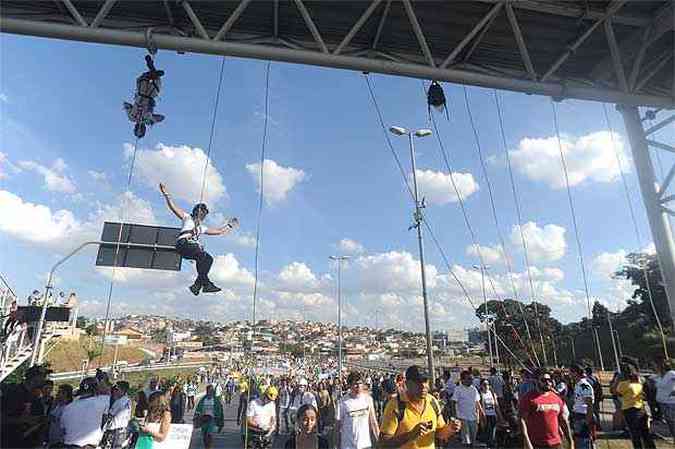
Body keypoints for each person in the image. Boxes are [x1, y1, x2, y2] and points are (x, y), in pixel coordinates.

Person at [159, 182, 238, 295]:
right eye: (201, 212)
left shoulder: (202, 228)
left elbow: (219, 231)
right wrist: (166, 193)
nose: (202, 215)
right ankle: (204, 284)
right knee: (202, 256)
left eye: (204, 214)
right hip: (184, 243)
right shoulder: (187, 218)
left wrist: (229, 225)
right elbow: (173, 207)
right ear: (197, 212)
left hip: (189, 249)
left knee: (208, 259)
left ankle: (198, 285)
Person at [380, 365, 461, 449]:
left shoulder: (432, 401)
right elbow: (383, 444)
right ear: (407, 384)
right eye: (418, 382)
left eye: (425, 381)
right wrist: (410, 435)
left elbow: (440, 433)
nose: (423, 386)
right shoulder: (395, 405)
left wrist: (451, 428)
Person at [519, 370, 574, 449]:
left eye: (549, 380)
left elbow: (563, 421)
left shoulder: (556, 399)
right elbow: (522, 420)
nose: (548, 382)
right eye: (544, 380)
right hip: (537, 444)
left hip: (556, 443)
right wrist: (527, 442)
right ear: (536, 381)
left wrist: (571, 442)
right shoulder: (529, 398)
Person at [1, 364, 52, 448]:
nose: (44, 380)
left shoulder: (36, 399)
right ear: (34, 379)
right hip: (8, 442)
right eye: (43, 377)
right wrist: (22, 420)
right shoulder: (13, 392)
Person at [611, 363, 656, 449]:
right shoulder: (640, 382)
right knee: (645, 432)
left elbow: (614, 391)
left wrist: (616, 380)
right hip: (641, 409)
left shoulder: (624, 384)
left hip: (629, 410)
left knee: (635, 434)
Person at [60, 377, 111, 449]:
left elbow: (63, 430)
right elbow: (109, 393)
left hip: (69, 445)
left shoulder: (68, 407)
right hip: (89, 446)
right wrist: (102, 380)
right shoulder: (103, 400)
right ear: (96, 389)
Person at [336, 372, 379, 449]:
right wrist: (337, 444)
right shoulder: (342, 402)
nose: (358, 386)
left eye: (360, 383)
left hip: (365, 444)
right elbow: (338, 426)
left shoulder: (368, 399)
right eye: (355, 384)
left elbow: (373, 422)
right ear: (349, 385)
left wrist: (380, 441)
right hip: (347, 445)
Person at [452, 370, 483, 448]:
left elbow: (477, 403)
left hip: (474, 418)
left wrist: (481, 415)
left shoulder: (474, 389)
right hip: (463, 418)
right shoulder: (458, 389)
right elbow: (453, 402)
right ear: (463, 380)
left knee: (473, 441)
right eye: (469, 379)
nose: (471, 381)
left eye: (471, 379)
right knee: (466, 441)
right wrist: (455, 417)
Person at [569, 364, 595, 449]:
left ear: (575, 373)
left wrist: (587, 422)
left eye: (570, 372)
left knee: (583, 442)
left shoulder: (584, 386)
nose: (569, 374)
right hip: (577, 415)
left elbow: (589, 405)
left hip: (583, 416)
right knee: (578, 441)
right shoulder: (577, 384)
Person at [102, 381, 132, 449]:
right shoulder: (128, 400)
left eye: (117, 389)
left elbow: (109, 415)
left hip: (114, 431)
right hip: (123, 429)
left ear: (122, 390)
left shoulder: (119, 402)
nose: (114, 391)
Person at [195, 384, 225, 449]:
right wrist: (197, 416)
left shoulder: (216, 400)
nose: (210, 392)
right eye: (209, 391)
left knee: (209, 434)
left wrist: (219, 420)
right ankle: (206, 446)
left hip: (212, 419)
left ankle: (210, 447)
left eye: (212, 391)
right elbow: (198, 409)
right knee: (204, 435)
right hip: (203, 419)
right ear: (207, 391)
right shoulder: (203, 400)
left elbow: (220, 410)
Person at [478, 379, 503, 449]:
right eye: (484, 384)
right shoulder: (480, 394)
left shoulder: (492, 393)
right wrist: (480, 418)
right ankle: (488, 445)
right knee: (487, 433)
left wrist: (500, 417)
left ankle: (491, 445)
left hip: (493, 415)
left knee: (493, 433)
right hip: (485, 416)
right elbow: (479, 407)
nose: (486, 386)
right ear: (481, 386)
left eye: (488, 384)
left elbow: (496, 406)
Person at [47, 384, 73, 448]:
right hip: (53, 440)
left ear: (65, 394)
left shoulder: (68, 408)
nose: (56, 394)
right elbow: (49, 417)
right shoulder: (58, 405)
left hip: (61, 442)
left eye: (59, 392)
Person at [657, 359, 675, 444]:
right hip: (664, 402)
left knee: (672, 422)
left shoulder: (670, 374)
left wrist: (656, 379)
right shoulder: (665, 375)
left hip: (669, 403)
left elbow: (661, 384)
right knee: (669, 422)